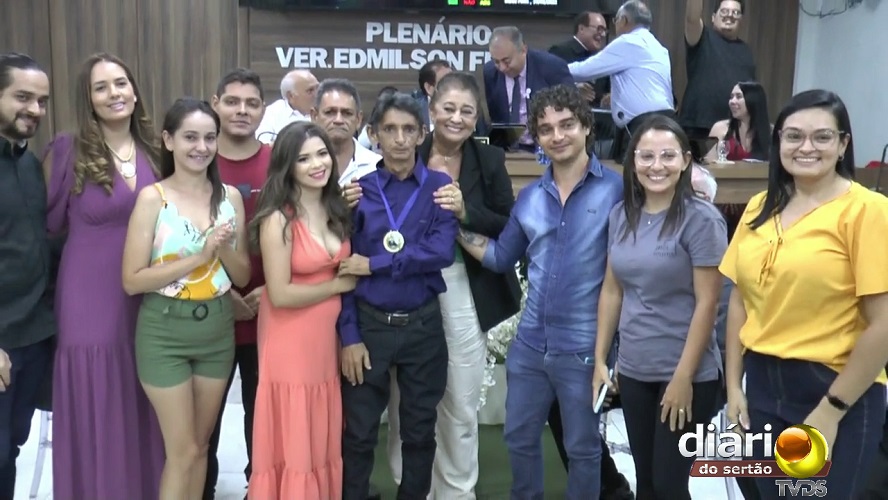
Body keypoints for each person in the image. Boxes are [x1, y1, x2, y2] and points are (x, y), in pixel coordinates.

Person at [346, 72, 522, 498]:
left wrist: (464, 211)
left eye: (467, 111)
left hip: (461, 283)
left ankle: (457, 490)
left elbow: (507, 225)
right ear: (431, 113)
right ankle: (412, 487)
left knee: (458, 399)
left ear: (477, 117)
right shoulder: (394, 157)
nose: (457, 118)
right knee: (402, 406)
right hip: (387, 292)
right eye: (448, 108)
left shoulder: (488, 161)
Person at [457, 84, 623, 498]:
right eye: (546, 129)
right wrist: (453, 226)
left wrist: (610, 355)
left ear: (586, 126)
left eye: (567, 125)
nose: (557, 135)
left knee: (582, 448)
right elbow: (500, 256)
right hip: (530, 346)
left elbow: (625, 277)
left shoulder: (616, 191)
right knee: (518, 438)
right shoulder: (530, 197)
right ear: (536, 137)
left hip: (584, 348)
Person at [721, 90, 888, 499]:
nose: (806, 147)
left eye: (822, 137)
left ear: (843, 144)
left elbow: (884, 324)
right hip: (763, 385)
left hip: (834, 387)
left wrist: (831, 410)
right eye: (794, 136)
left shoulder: (868, 211)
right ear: (778, 142)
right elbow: (740, 301)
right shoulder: (760, 207)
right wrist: (733, 388)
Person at [43, 52, 165, 500]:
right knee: (98, 393)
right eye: (101, 87)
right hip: (89, 296)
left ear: (134, 90)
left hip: (148, 295)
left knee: (144, 392)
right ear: (88, 99)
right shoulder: (67, 150)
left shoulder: (156, 150)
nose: (114, 93)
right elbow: (45, 226)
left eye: (120, 83)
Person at [122, 97, 251, 499]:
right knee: (181, 453)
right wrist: (199, 256)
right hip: (164, 333)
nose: (201, 147)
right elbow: (132, 280)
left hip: (216, 331)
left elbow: (242, 275)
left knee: (199, 448)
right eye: (190, 137)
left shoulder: (230, 198)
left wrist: (222, 247)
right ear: (169, 140)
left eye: (209, 138)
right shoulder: (153, 198)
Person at [593, 116, 726, 499]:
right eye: (646, 156)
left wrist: (683, 378)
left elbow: (708, 303)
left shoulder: (702, 220)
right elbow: (612, 291)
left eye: (668, 156)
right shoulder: (621, 215)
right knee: (647, 482)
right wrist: (601, 359)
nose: (657, 166)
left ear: (685, 161)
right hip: (635, 370)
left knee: (670, 485)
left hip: (687, 374)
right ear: (633, 161)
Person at [338, 92, 459, 500]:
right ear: (373, 134)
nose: (400, 139)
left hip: (422, 326)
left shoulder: (440, 189)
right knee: (358, 432)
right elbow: (343, 266)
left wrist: (375, 264)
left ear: (423, 134)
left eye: (409, 129)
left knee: (420, 432)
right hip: (369, 325)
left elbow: (439, 253)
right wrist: (349, 336)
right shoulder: (358, 192)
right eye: (389, 129)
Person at [248, 121, 353, 498]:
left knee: (319, 431)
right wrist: (337, 286)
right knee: (295, 431)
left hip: (325, 341)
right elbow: (279, 294)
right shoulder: (278, 218)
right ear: (287, 166)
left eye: (322, 154)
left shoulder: (337, 208)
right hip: (289, 340)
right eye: (304, 159)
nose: (317, 164)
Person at [204, 67, 271, 499]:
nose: (241, 110)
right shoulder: (198, 158)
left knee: (261, 419)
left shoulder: (280, 161)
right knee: (203, 424)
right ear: (215, 104)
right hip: (209, 313)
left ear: (263, 109)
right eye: (232, 101)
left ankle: (258, 490)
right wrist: (224, 293)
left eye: (251, 103)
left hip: (270, 312)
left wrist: (274, 288)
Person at [0, 52, 55, 500]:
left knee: (9, 449)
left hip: (32, 336)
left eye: (41, 101)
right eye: (22, 97)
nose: (34, 109)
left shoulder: (29, 164)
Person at [568, 1, 675, 160]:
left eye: (616, 20)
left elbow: (584, 70)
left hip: (643, 125)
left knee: (636, 172)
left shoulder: (628, 41)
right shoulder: (659, 48)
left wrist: (552, 68)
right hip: (667, 122)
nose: (615, 26)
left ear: (624, 20)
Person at [681, 0, 756, 157]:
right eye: (724, 11)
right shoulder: (702, 37)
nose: (730, 15)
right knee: (694, 171)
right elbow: (692, 18)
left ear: (741, 19)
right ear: (713, 17)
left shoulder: (746, 51)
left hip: (732, 131)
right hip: (698, 126)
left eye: (736, 12)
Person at [483, 26, 574, 151]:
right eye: (496, 62)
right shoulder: (490, 72)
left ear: (523, 50)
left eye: (506, 61)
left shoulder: (552, 67)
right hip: (510, 151)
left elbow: (572, 110)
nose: (502, 68)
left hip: (550, 147)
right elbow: (497, 119)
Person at [704, 81, 770, 162]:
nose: (732, 101)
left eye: (739, 96)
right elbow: (709, 163)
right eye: (731, 97)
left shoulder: (770, 132)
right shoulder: (719, 129)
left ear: (753, 100)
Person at [256, 70, 318, 143]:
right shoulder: (272, 113)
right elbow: (263, 143)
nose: (317, 94)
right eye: (310, 91)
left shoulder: (325, 108)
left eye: (318, 88)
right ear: (290, 96)